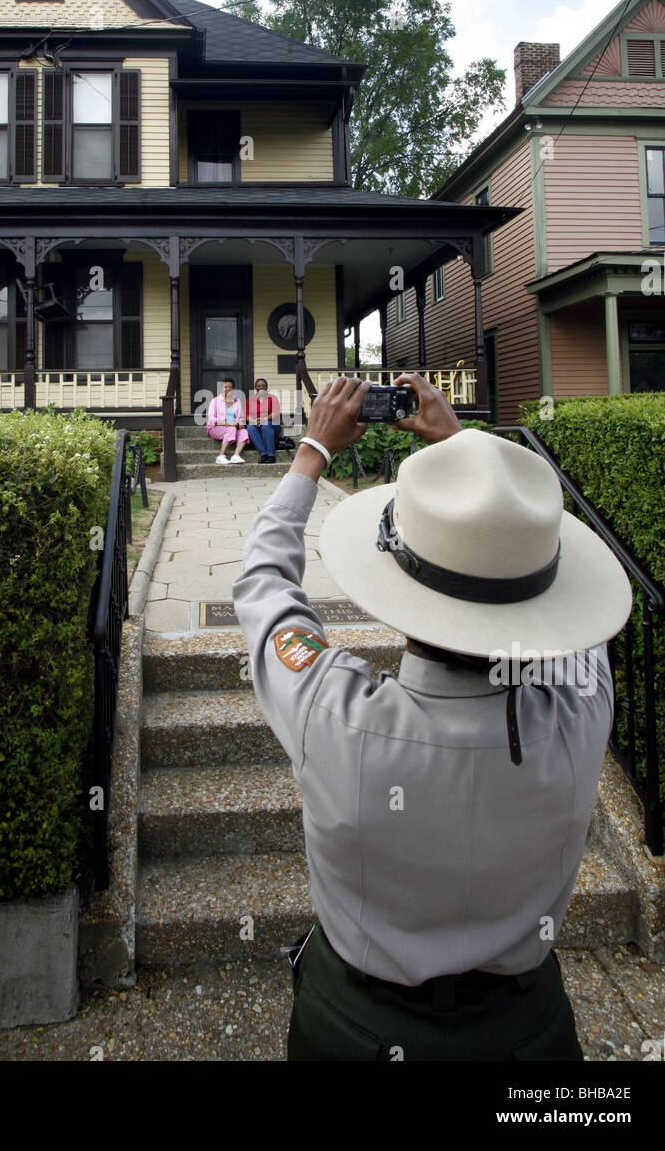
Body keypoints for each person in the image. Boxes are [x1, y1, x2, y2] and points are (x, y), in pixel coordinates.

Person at [232, 373, 632, 1062]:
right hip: (529, 1035)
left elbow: (264, 582)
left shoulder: (334, 711)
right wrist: (472, 457)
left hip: (354, 1027)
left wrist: (312, 453)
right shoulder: (580, 710)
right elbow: (574, 616)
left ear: (402, 583)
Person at [206, 378, 249, 465]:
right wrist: (226, 423)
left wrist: (241, 422)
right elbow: (211, 419)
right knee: (231, 429)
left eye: (230, 387)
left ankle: (236, 456)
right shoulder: (215, 401)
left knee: (244, 432)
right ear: (222, 388)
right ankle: (220, 456)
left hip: (233, 427)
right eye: (226, 387)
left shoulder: (237, 401)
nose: (228, 389)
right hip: (216, 427)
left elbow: (241, 417)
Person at [246, 378, 281, 464]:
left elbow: (276, 413)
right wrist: (255, 422)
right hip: (256, 424)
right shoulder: (250, 400)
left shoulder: (273, 398)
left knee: (266, 425)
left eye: (263, 385)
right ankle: (264, 454)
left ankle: (271, 455)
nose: (261, 387)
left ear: (267, 387)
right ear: (255, 387)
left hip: (272, 425)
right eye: (259, 386)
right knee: (250, 427)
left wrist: (264, 419)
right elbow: (246, 415)